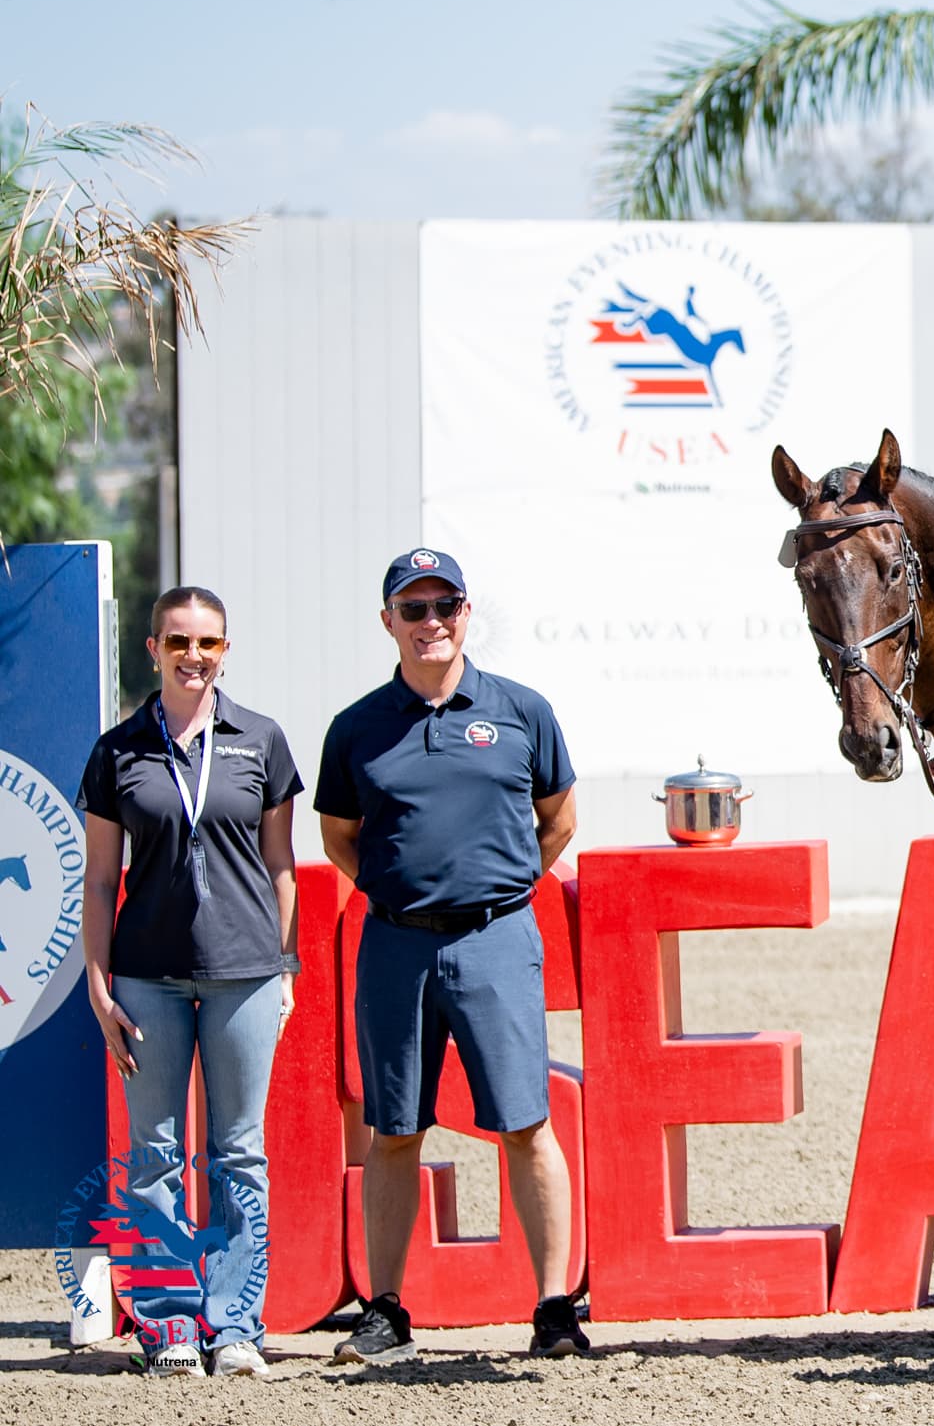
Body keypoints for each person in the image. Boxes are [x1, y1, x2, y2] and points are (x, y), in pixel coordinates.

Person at [314, 548, 588, 1362]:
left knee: (526, 1123)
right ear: (388, 621)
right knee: (394, 1129)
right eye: (413, 607)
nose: (430, 621)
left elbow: (560, 819)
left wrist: (496, 890)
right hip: (395, 944)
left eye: (445, 605)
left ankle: (554, 1308)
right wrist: (399, 891)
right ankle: (385, 1310)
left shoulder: (521, 710)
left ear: (466, 613)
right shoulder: (356, 726)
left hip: (496, 938)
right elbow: (338, 837)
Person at [78, 587, 301, 1378]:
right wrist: (99, 985)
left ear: (225, 650)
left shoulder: (261, 739)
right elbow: (99, 879)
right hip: (147, 978)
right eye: (178, 641)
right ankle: (170, 1324)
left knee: (240, 1153)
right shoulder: (116, 750)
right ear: (153, 649)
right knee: (156, 1156)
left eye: (208, 642)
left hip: (246, 974)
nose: (193, 655)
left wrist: (285, 966)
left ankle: (236, 1324)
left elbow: (281, 864)